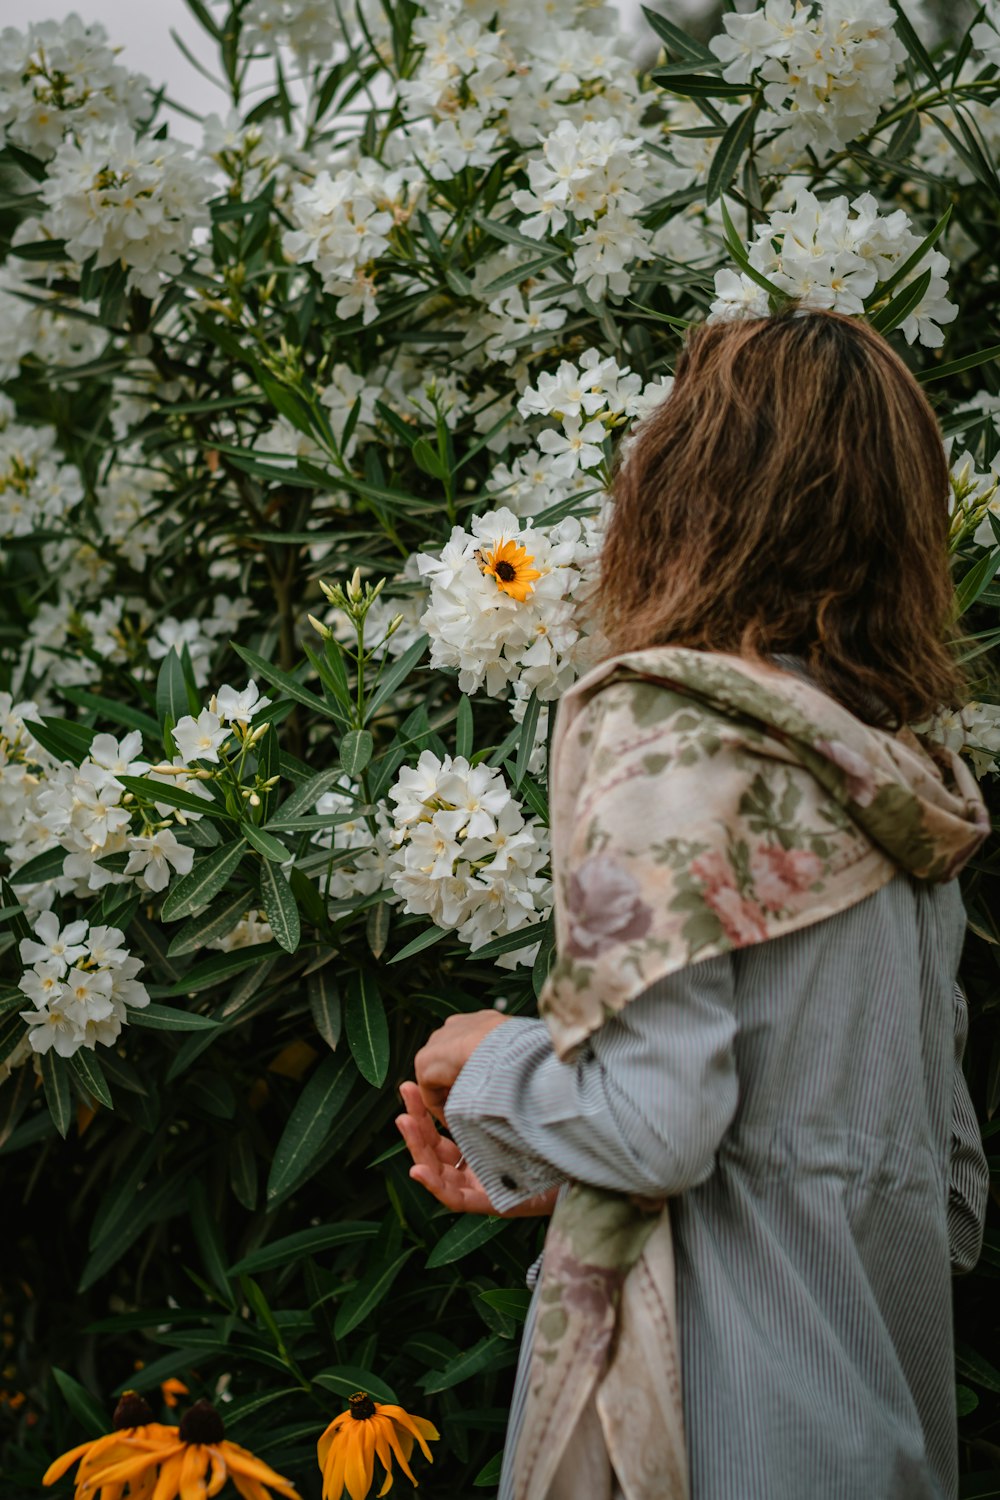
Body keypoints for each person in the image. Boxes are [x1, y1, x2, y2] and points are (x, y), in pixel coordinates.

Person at [395, 308, 991, 1500]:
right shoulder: (898, 782)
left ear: (685, 489)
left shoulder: (664, 727)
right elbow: (944, 1198)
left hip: (703, 1438)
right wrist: (564, 1166)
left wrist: (503, 1066)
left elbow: (658, 1128)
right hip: (877, 1437)